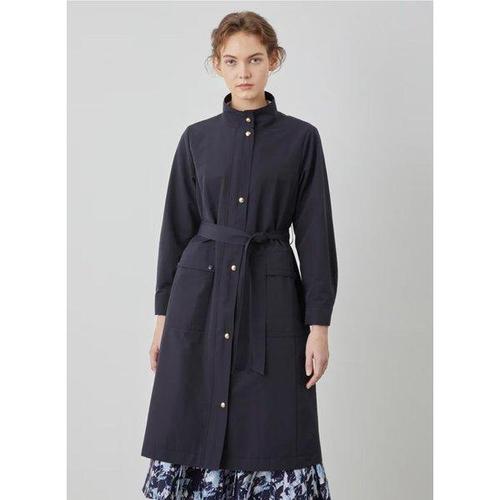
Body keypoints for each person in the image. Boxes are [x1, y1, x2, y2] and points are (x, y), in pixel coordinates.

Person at [141, 10, 338, 499]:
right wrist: (162, 317)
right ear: (217, 64)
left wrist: (318, 325)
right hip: (200, 298)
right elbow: (175, 231)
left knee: (273, 426)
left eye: (255, 59)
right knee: (192, 415)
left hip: (270, 296)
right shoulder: (196, 138)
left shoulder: (301, 139)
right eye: (231, 61)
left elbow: (316, 237)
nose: (244, 72)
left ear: (274, 60)